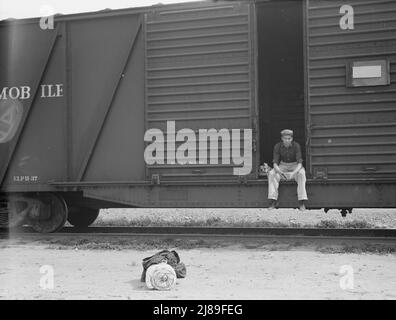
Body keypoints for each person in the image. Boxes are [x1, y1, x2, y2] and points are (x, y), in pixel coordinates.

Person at [267, 129, 308, 211]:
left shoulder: (296, 145)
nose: (287, 140)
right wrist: (280, 172)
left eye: (289, 139)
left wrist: (293, 173)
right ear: (282, 138)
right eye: (285, 138)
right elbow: (275, 163)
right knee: (271, 173)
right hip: (282, 165)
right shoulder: (277, 146)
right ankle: (273, 200)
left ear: (291, 139)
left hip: (295, 165)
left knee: (301, 174)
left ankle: (301, 202)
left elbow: (300, 162)